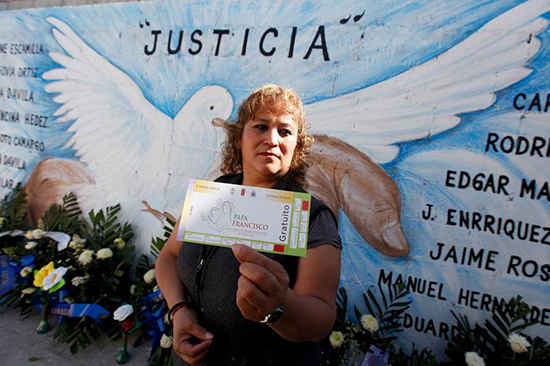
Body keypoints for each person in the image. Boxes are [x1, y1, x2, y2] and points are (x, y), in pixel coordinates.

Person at [156, 84, 342, 366]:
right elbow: (168, 258)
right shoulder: (214, 193)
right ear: (239, 137)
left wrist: (279, 307)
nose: (272, 139)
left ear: (297, 146)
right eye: (261, 126)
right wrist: (179, 310)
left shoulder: (312, 217)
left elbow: (321, 319)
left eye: (285, 131)